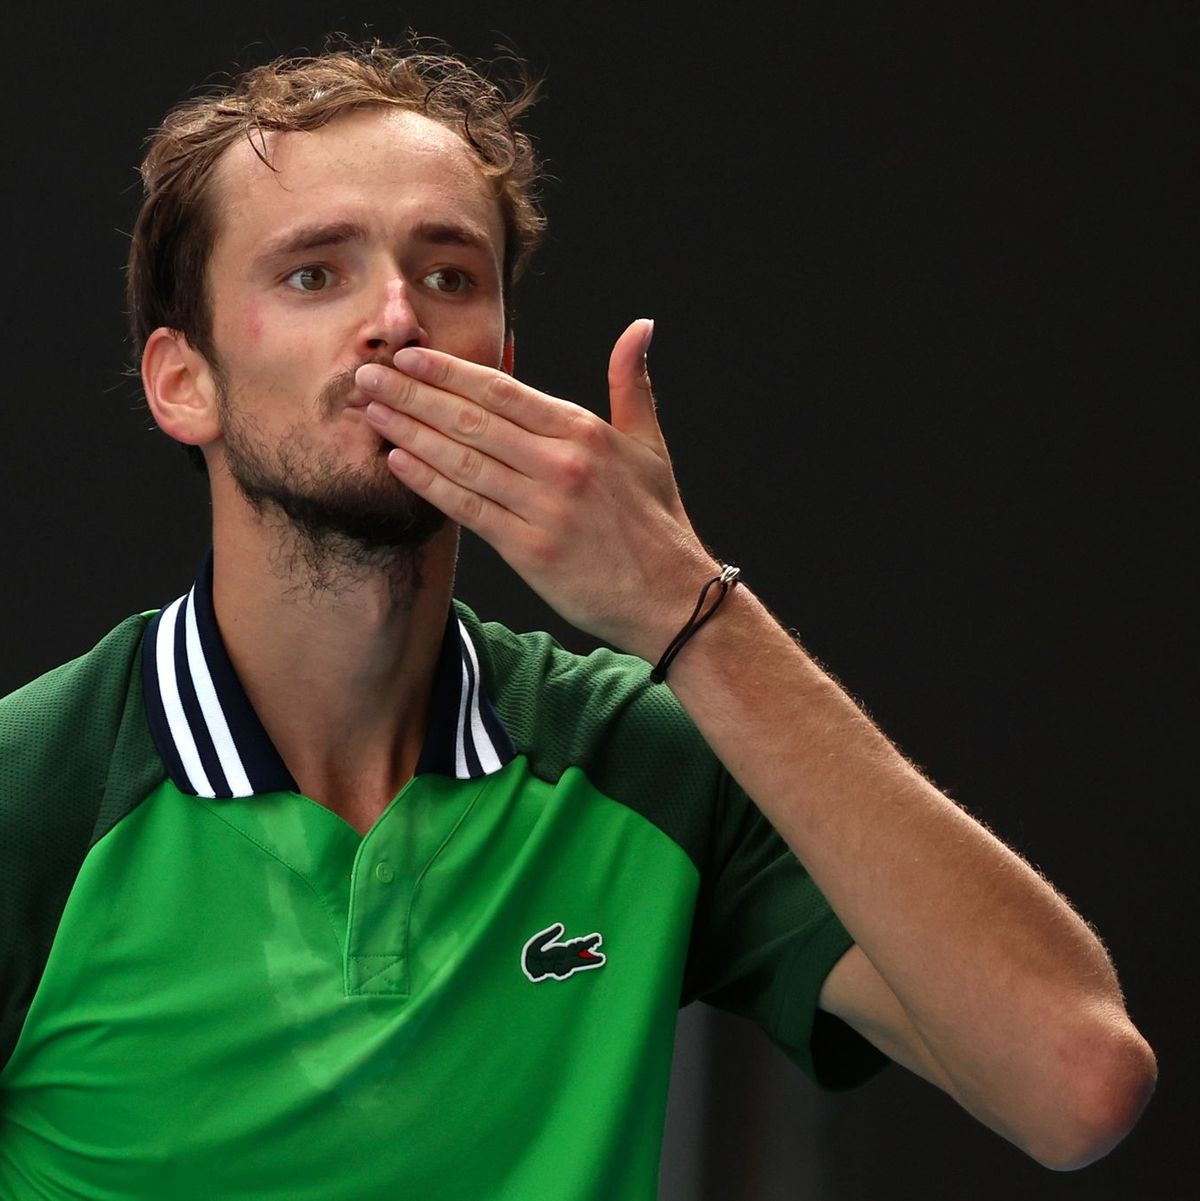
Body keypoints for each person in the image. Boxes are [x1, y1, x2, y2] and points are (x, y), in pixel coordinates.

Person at [0, 36, 1155, 1200]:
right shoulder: (36, 787)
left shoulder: (640, 762)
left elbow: (1076, 1085)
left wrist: (688, 606)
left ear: (502, 364)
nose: (397, 316)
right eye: (314, 274)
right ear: (182, 380)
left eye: (449, 276)